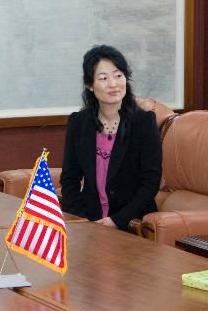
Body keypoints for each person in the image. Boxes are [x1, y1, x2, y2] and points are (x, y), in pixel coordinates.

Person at [59, 45, 162, 229]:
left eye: (118, 75)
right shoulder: (79, 123)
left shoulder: (144, 122)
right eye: (103, 78)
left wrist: (117, 221)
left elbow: (151, 183)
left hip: (132, 223)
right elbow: (69, 179)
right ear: (90, 85)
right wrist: (80, 219)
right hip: (89, 222)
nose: (113, 84)